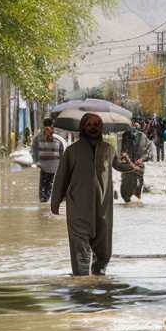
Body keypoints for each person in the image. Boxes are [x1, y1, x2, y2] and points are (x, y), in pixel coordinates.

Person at [50, 113, 134, 275]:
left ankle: (98, 280)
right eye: (89, 124)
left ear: (101, 128)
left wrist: (130, 164)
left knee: (103, 250)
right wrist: (55, 202)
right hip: (78, 206)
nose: (93, 128)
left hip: (103, 207)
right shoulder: (72, 151)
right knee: (80, 249)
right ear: (82, 128)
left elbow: (119, 166)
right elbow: (61, 177)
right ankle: (81, 285)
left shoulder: (108, 150)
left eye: (96, 124)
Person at [32, 122, 67, 203]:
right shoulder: (38, 139)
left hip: (54, 166)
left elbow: (61, 154)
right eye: (46, 129)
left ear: (52, 130)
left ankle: (46, 200)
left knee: (50, 183)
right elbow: (35, 151)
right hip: (43, 166)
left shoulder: (58, 141)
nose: (47, 131)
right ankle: (43, 200)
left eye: (49, 129)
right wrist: (36, 162)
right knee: (43, 183)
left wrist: (61, 165)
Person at [118, 123, 149, 202]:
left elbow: (148, 153)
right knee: (126, 189)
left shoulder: (143, 137)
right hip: (127, 167)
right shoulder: (123, 136)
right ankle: (126, 202)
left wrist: (141, 159)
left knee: (138, 188)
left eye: (136, 126)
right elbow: (120, 151)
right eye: (133, 125)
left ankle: (136, 204)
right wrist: (125, 157)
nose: (134, 127)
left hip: (139, 168)